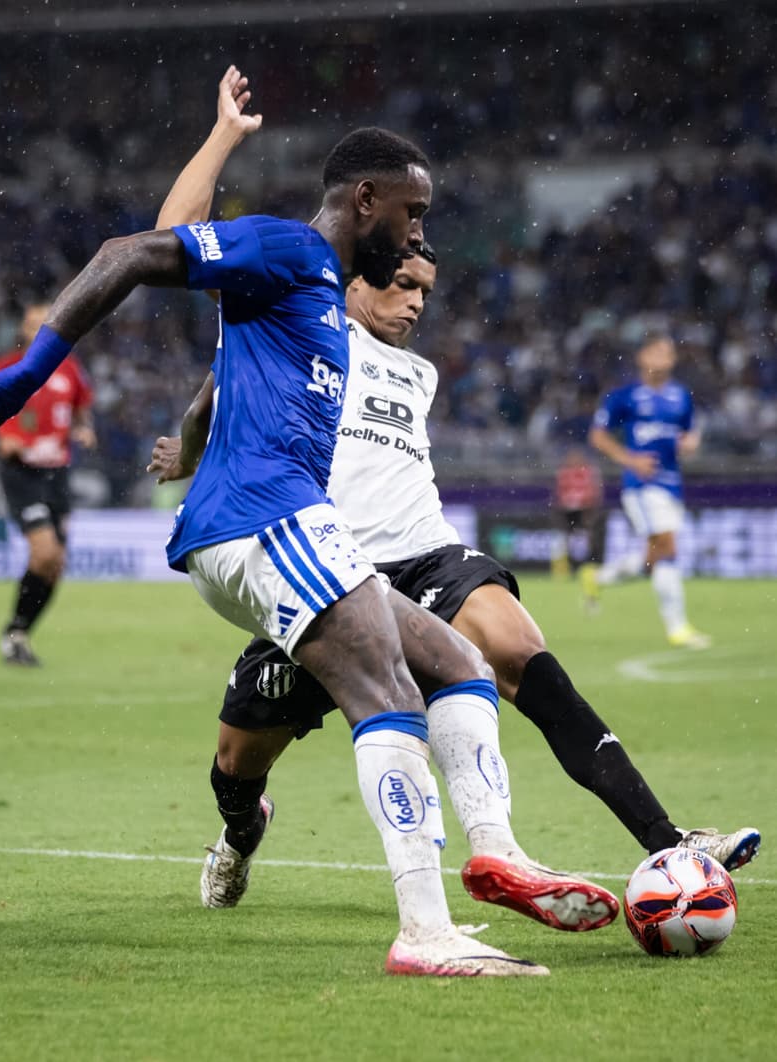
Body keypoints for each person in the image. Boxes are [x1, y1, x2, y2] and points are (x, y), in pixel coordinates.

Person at [0, 76, 550, 978]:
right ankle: (425, 931)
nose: (421, 236)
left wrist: (189, 444)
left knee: (456, 664)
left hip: (276, 527)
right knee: (386, 690)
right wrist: (28, 373)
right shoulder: (289, 250)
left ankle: (500, 854)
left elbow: (183, 259)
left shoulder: (316, 302)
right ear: (366, 201)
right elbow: (129, 251)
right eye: (413, 214)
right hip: (265, 523)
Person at [147, 89, 759, 928]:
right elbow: (198, 327)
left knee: (519, 652)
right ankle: (240, 833)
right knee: (236, 761)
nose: (413, 301)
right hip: (325, 569)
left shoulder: (422, 374)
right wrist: (187, 448)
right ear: (362, 272)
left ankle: (668, 841)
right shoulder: (305, 313)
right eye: (401, 281)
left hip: (428, 558)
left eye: (426, 292)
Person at [0, 300, 96, 665]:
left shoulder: (70, 369)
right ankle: (13, 633)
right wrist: (2, 436)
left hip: (57, 474)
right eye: (33, 324)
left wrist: (83, 429)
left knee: (56, 563)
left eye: (45, 323)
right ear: (22, 329)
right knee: (44, 552)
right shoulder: (3, 367)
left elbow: (81, 409)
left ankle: (18, 634)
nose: (39, 330)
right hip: (22, 473)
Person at [587, 333, 711, 648]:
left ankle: (598, 578)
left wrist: (691, 442)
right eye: (656, 352)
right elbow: (598, 436)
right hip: (642, 486)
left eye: (668, 353)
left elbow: (690, 432)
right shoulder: (625, 396)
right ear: (642, 356)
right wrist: (630, 459)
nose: (663, 359)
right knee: (668, 547)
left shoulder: (680, 396)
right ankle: (678, 628)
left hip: (672, 484)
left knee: (652, 559)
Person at [548, 444, 604, 602]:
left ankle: (586, 567)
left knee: (585, 539)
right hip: (567, 511)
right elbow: (560, 493)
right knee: (562, 539)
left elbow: (593, 492)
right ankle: (562, 569)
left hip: (583, 510)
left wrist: (589, 509)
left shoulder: (587, 472)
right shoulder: (565, 473)